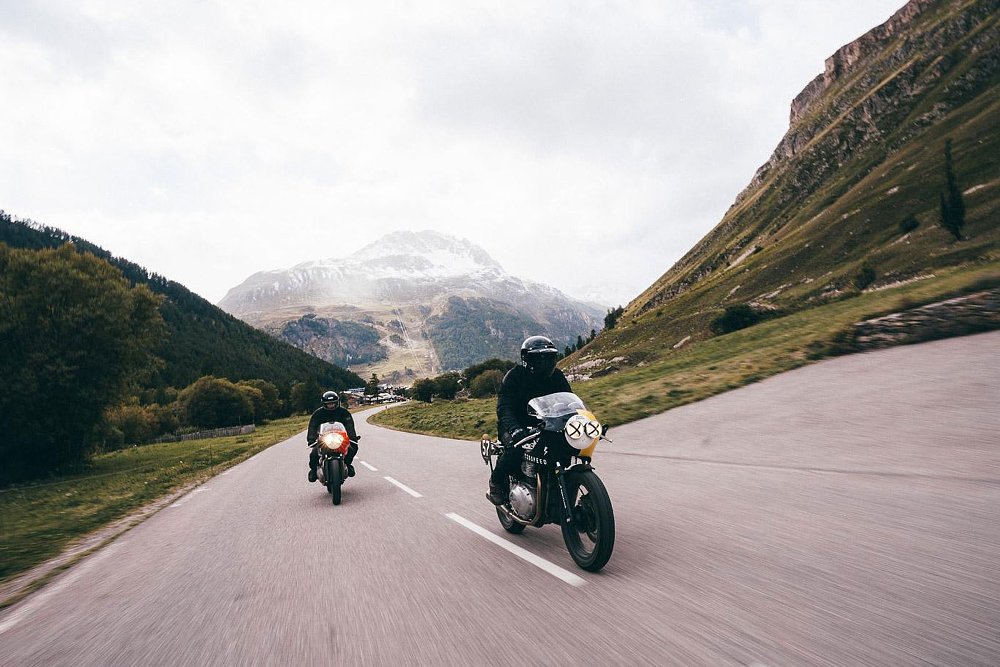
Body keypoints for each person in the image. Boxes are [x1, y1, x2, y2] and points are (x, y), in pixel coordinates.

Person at [487, 335, 571, 505]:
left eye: (548, 358)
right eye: (539, 358)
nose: (544, 363)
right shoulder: (514, 376)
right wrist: (515, 429)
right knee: (516, 448)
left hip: (547, 424)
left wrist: (579, 419)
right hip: (515, 425)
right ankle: (496, 482)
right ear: (527, 359)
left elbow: (569, 400)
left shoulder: (557, 376)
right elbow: (504, 408)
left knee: (566, 447)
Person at [307, 391, 360, 482]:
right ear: (324, 404)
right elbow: (313, 426)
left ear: (337, 402)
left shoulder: (344, 412)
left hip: (340, 439)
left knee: (352, 449)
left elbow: (349, 425)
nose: (331, 405)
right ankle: (313, 470)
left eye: (333, 403)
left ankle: (347, 464)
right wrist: (311, 439)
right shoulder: (318, 413)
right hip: (324, 439)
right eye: (329, 404)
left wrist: (352, 437)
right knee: (314, 454)